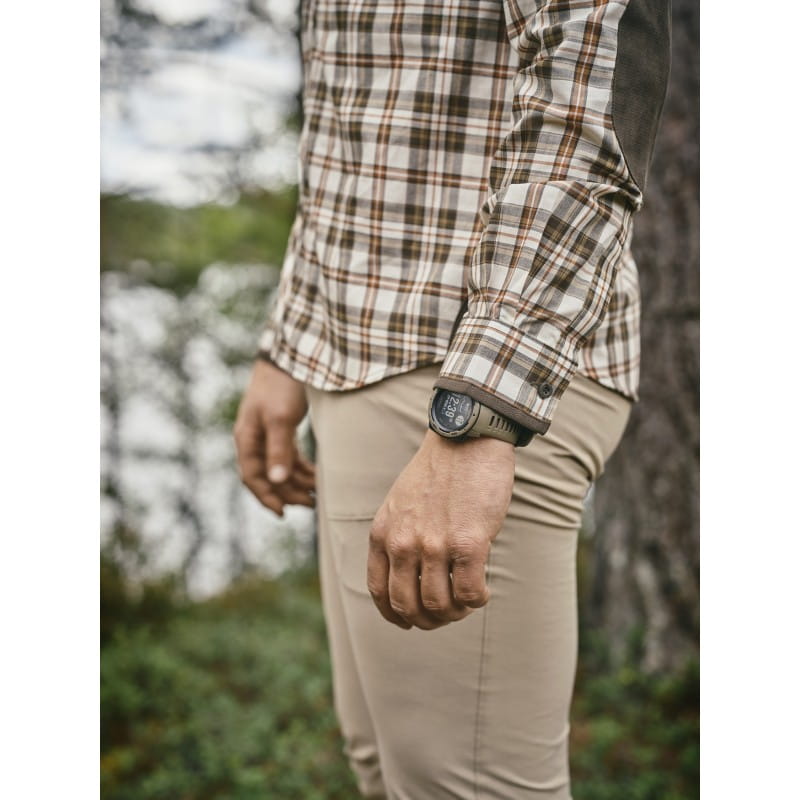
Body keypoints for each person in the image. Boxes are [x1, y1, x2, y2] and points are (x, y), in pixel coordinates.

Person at [234, 0, 671, 796]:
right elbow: (350, 118)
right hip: (356, 349)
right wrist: (288, 343)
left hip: (471, 363)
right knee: (387, 767)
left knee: (465, 787)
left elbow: (586, 104)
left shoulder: (477, 401)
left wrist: (480, 411)